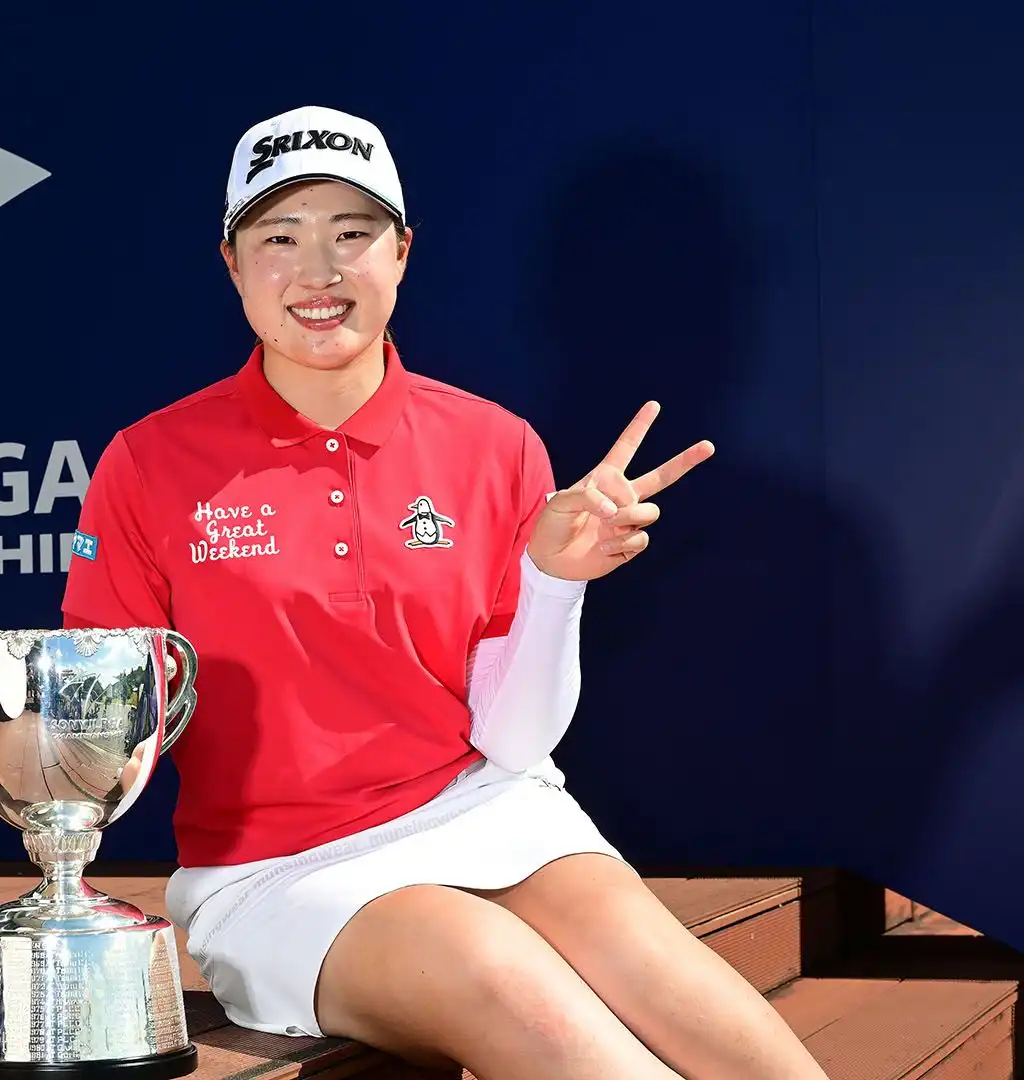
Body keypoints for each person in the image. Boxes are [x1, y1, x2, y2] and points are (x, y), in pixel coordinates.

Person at [59, 105, 828, 1080]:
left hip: (488, 803)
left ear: (403, 251)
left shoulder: (494, 443)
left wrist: (553, 582)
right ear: (232, 263)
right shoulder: (149, 462)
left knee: (688, 994)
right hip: (281, 872)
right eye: (280, 238)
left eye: (353, 234)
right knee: (504, 974)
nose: (318, 272)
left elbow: (514, 744)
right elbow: (97, 722)